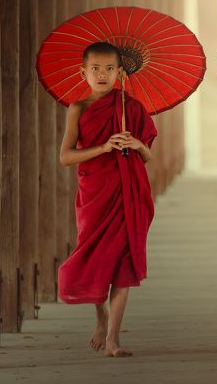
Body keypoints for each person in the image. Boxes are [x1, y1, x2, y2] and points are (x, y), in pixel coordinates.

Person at [58, 41, 157, 358]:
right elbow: (66, 157)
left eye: (109, 69)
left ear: (120, 72)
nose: (102, 75)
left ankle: (113, 338)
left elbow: (147, 156)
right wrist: (103, 147)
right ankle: (100, 316)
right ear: (83, 71)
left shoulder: (132, 107)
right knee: (95, 259)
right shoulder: (79, 109)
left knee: (124, 266)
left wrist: (136, 143)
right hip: (95, 195)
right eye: (95, 68)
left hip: (126, 195)